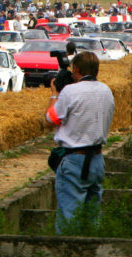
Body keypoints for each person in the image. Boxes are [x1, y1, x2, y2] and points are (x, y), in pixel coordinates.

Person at [45, 51, 114, 233]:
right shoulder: (106, 91)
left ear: (76, 68)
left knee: (69, 219)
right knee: (93, 216)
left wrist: (54, 95)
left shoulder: (69, 91)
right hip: (97, 159)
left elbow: (51, 119)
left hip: (74, 160)